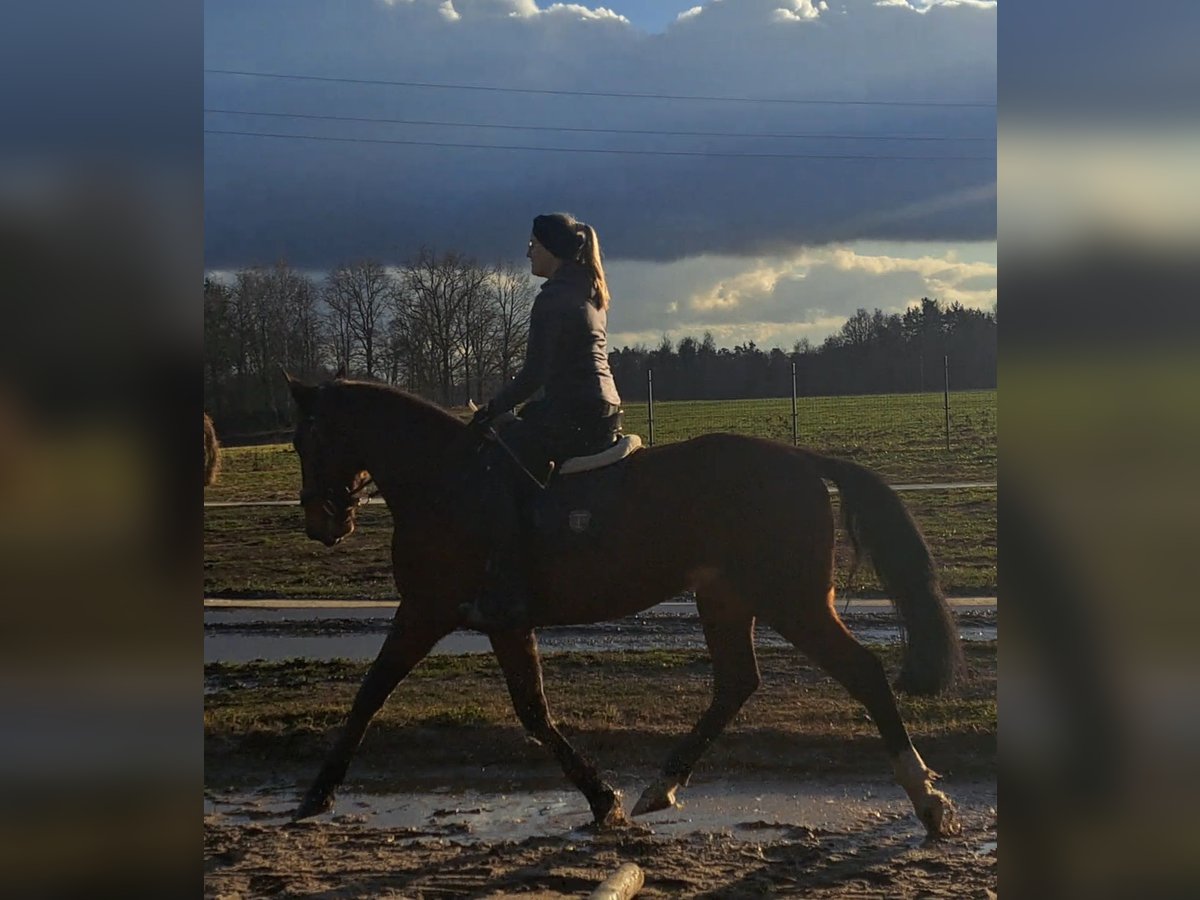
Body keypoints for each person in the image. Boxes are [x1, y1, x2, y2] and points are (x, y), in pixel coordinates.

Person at [459, 212, 623, 629]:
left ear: (551, 249)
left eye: (533, 245)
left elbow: (534, 375)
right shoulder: (588, 290)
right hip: (601, 409)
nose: (528, 252)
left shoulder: (553, 298)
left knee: (497, 469)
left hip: (575, 412)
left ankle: (508, 594)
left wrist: (492, 410)